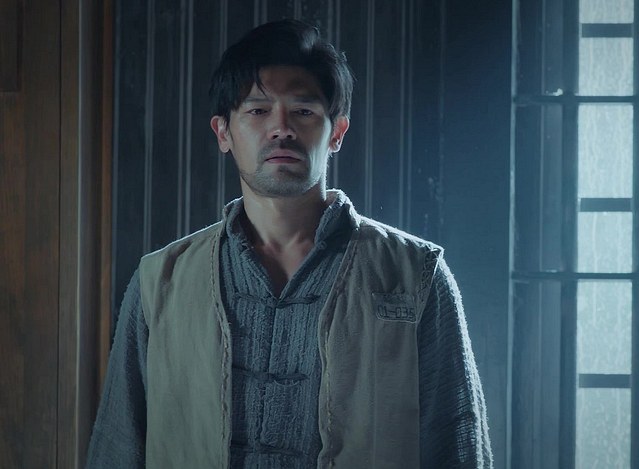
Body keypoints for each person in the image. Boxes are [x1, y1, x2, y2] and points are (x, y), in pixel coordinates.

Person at [86, 19, 492, 469]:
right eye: (258, 111)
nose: (281, 129)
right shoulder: (161, 280)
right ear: (223, 133)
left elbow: (457, 444)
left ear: (336, 133)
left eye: (303, 111)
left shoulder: (414, 275)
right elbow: (117, 447)